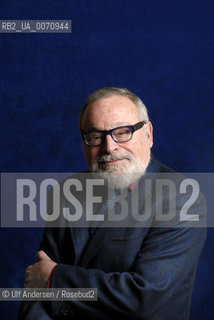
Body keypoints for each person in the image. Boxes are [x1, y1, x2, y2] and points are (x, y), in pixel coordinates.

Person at [19, 87, 206, 320]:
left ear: (148, 134)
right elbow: (36, 294)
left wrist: (54, 278)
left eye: (123, 132)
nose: (109, 148)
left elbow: (144, 299)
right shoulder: (68, 193)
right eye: (96, 136)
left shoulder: (183, 199)